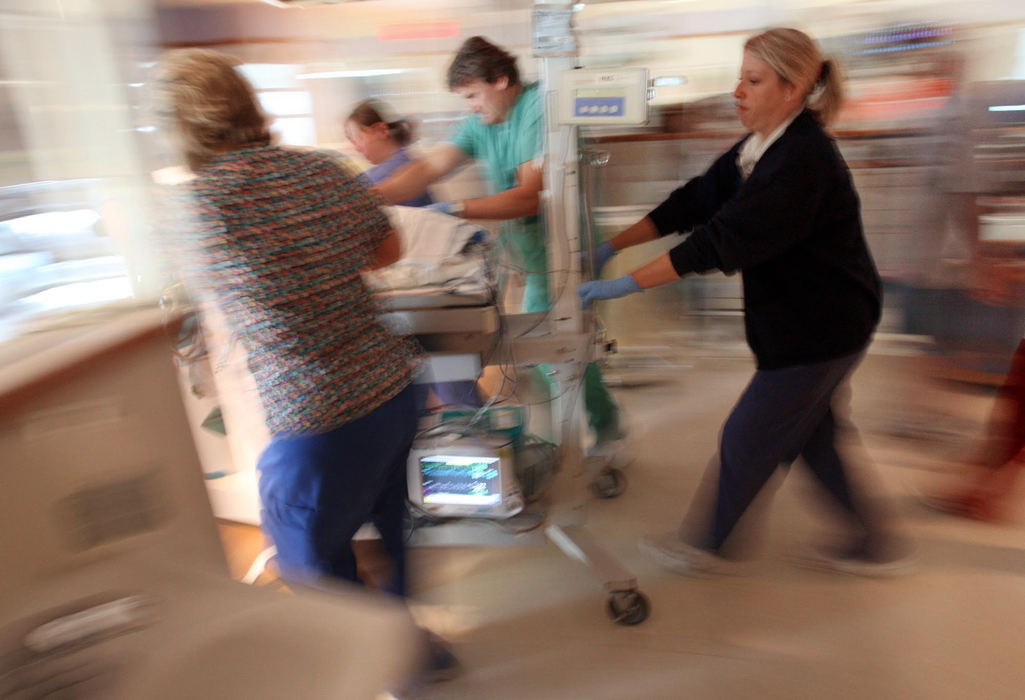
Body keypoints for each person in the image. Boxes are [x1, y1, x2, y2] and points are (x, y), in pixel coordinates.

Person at [153, 49, 458, 681]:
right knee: (388, 527)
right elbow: (387, 248)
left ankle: (360, 670)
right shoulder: (322, 169)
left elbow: (189, 301)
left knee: (307, 565)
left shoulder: (202, 205)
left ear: (183, 127)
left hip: (316, 414)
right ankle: (409, 655)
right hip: (389, 390)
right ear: (249, 105)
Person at [578, 28, 909, 576]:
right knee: (812, 435)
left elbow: (718, 239)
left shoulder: (802, 159)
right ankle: (874, 544)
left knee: (748, 436)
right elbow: (695, 202)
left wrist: (622, 283)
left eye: (753, 81)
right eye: (740, 78)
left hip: (821, 330)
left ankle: (710, 543)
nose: (738, 91)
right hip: (810, 322)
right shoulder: (759, 147)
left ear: (794, 86)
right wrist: (611, 246)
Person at [376, 35, 622, 445]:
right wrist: (371, 197)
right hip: (528, 254)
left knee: (557, 347)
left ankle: (605, 427)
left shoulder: (538, 108)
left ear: (502, 81)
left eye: (474, 94)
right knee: (531, 346)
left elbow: (528, 197)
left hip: (567, 252)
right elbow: (430, 167)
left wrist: (455, 211)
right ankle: (562, 435)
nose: (470, 105)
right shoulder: (482, 122)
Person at [345, 99, 433, 208]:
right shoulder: (407, 159)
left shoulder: (391, 171)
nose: (357, 149)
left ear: (381, 131)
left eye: (359, 138)